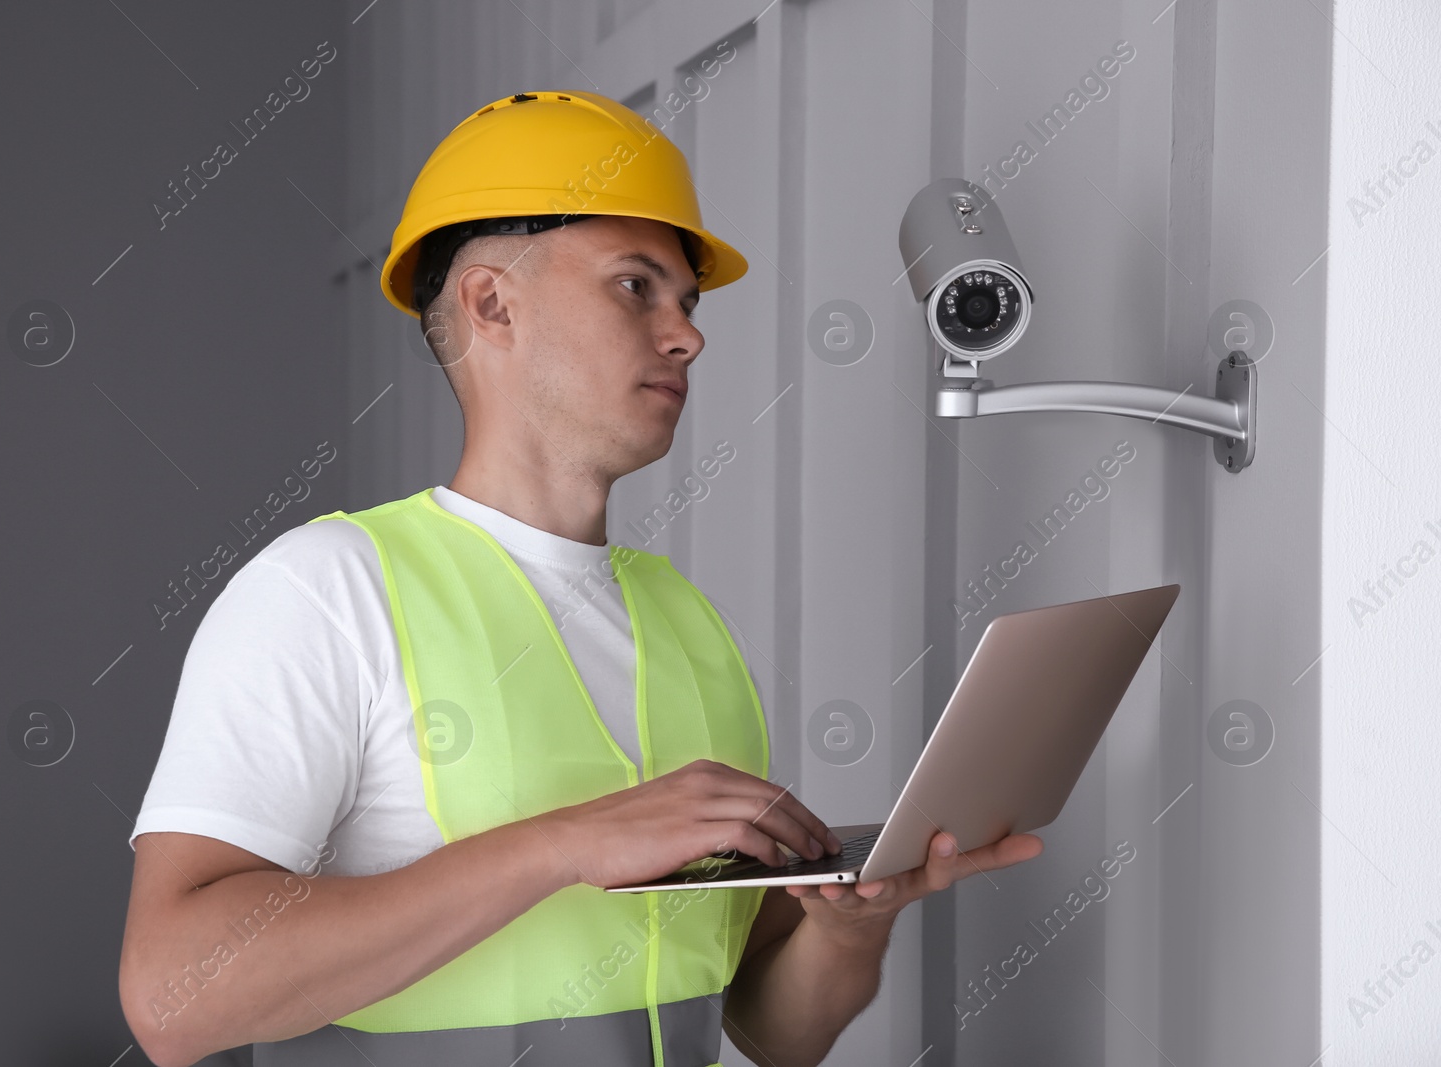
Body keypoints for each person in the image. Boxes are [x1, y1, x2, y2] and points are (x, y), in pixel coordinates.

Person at [117, 89, 1042, 1067]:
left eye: (685, 301)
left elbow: (773, 1028)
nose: (686, 333)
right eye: (635, 285)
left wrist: (851, 923)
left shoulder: (688, 622)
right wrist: (565, 843)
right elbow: (172, 997)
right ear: (491, 303)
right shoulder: (324, 590)